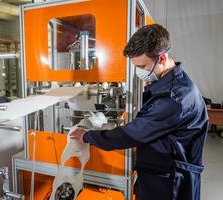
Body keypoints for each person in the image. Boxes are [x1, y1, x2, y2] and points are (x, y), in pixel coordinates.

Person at [70, 24, 209, 200]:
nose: (139, 72)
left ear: (163, 58)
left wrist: (89, 136)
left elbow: (133, 134)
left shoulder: (173, 99)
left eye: (142, 66)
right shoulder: (173, 82)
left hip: (169, 180)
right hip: (163, 166)